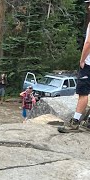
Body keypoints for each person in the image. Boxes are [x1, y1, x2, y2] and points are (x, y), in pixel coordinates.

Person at [58, 1, 90, 133]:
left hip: (89, 64)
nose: (88, 6)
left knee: (83, 93)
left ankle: (75, 122)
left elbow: (88, 43)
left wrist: (82, 60)